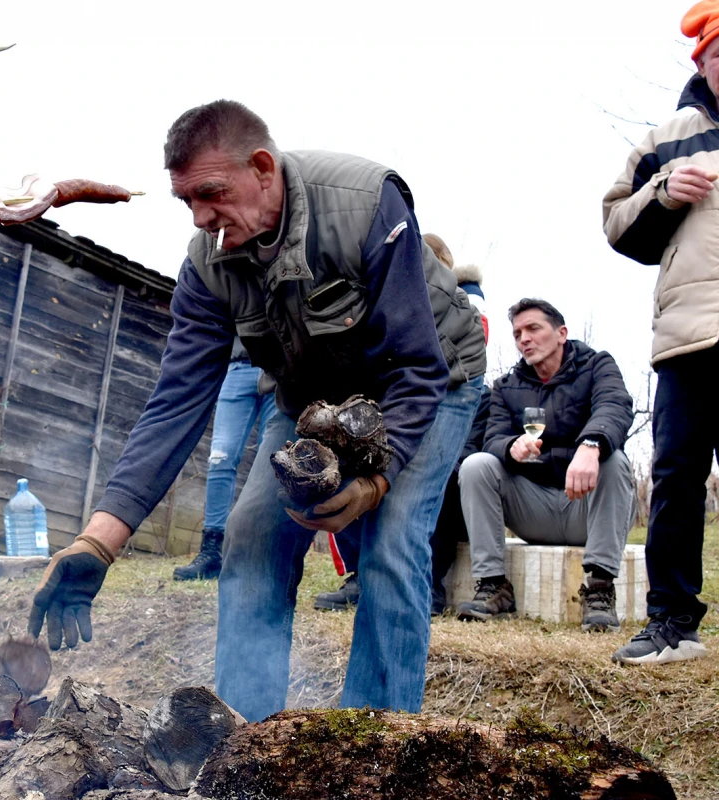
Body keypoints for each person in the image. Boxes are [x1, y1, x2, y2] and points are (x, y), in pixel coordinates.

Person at [27, 100, 486, 721]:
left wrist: (377, 480)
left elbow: (418, 366)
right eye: (186, 201)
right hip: (312, 402)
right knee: (250, 535)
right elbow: (175, 404)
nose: (200, 217)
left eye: (211, 193)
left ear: (263, 168)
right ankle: (244, 740)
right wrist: (98, 543)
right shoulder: (206, 265)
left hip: (432, 379)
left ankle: (374, 745)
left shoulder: (365, 203)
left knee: (394, 535)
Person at [600, 0, 719, 664]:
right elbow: (617, 221)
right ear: (702, 61)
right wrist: (665, 191)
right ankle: (673, 624)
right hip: (689, 334)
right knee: (676, 477)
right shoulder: (669, 137)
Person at [313, 234, 489, 614]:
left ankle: (427, 586)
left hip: (448, 400)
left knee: (422, 493)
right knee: (353, 474)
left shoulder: (459, 309)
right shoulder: (383, 296)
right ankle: (363, 574)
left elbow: (463, 367)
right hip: (392, 396)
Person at [456, 299, 635, 632]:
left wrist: (590, 444)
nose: (524, 338)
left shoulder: (598, 366)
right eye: (518, 333)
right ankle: (494, 585)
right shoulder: (506, 387)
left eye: (533, 329)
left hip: (587, 507)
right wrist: (511, 447)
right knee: (477, 465)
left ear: (561, 333)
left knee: (615, 460)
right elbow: (492, 437)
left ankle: (599, 590)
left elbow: (615, 406)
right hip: (533, 508)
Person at [173, 338, 276, 581]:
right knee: (221, 456)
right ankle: (211, 551)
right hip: (239, 364)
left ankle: (257, 552)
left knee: (271, 462)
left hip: (282, 368)